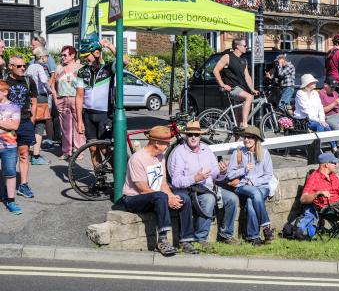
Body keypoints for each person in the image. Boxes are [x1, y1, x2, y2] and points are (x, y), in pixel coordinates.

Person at [122, 126, 192, 256]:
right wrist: (166, 198)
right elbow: (142, 189)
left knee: (184, 198)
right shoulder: (137, 159)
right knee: (160, 196)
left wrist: (171, 196)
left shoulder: (160, 157)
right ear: (156, 143)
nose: (168, 145)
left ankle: (185, 241)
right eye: (166, 143)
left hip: (155, 197)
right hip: (134, 198)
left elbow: (162, 182)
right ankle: (163, 241)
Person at [168, 120, 239, 246]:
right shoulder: (179, 152)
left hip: (209, 187)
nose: (193, 137)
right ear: (186, 136)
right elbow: (176, 181)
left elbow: (215, 175)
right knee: (209, 199)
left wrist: (222, 172)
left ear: (200, 136)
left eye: (196, 134)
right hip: (191, 190)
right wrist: (195, 178)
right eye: (190, 135)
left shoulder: (206, 149)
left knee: (232, 198)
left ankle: (226, 234)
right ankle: (201, 237)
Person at [76, 38, 122, 171]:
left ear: (96, 53)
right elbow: (79, 96)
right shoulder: (82, 71)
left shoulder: (108, 68)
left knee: (104, 148)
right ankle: (99, 178)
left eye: (87, 56)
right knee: (92, 148)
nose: (85, 59)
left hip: (105, 114)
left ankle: (118, 177)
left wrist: (110, 46)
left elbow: (124, 61)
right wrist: (79, 120)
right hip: (89, 115)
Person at [226, 125, 275, 245]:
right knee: (253, 193)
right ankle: (266, 227)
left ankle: (253, 237)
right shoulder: (238, 153)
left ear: (256, 139)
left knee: (250, 201)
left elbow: (268, 175)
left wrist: (253, 182)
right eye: (245, 137)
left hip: (261, 186)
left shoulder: (264, 153)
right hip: (242, 186)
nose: (246, 139)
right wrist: (243, 170)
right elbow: (230, 175)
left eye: (250, 137)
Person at [6, 55, 37, 199]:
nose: (23, 68)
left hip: (25, 122)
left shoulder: (29, 81)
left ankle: (23, 185)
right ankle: (7, 185)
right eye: (19, 66)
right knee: (8, 156)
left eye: (24, 65)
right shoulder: (4, 81)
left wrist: (32, 120)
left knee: (24, 154)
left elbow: (34, 101)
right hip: (8, 124)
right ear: (10, 66)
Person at [294, 73, 339, 160]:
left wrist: (322, 119)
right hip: (303, 120)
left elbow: (320, 108)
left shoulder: (315, 93)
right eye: (313, 82)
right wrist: (318, 120)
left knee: (326, 125)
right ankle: (318, 149)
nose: (315, 83)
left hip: (315, 120)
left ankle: (334, 149)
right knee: (320, 125)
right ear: (308, 83)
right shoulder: (300, 93)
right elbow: (306, 110)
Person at [50, 45, 85, 160]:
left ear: (72, 55)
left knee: (77, 124)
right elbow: (51, 84)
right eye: (62, 55)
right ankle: (66, 151)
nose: (63, 57)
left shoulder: (80, 67)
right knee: (65, 127)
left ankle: (79, 150)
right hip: (62, 99)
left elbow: (85, 86)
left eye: (65, 55)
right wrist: (55, 97)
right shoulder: (59, 67)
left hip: (75, 98)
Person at [213, 38, 256, 129]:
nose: (246, 47)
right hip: (233, 88)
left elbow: (247, 76)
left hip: (241, 88)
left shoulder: (243, 60)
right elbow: (215, 70)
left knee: (238, 116)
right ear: (237, 46)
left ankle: (237, 136)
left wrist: (252, 89)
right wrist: (223, 85)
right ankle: (245, 123)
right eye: (244, 45)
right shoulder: (227, 57)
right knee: (249, 97)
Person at [25, 47, 51, 165]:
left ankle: (27, 152)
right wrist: (51, 91)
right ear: (42, 57)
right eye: (46, 56)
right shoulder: (41, 67)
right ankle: (36, 155)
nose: (47, 58)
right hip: (40, 97)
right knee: (40, 126)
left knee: (31, 122)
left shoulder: (30, 66)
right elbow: (45, 81)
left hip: (30, 97)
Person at [0, 80, 22, 214]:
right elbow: (9, 125)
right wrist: (5, 124)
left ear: (4, 92)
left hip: (9, 145)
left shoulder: (14, 107)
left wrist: (7, 124)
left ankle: (11, 200)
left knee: (10, 173)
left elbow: (14, 126)